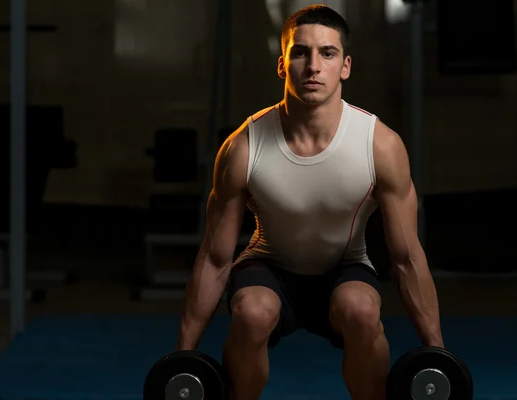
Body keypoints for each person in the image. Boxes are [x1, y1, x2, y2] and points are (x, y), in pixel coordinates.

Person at [175, 4, 444, 400]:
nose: (313, 65)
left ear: (345, 66)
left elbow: (407, 258)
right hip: (268, 267)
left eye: (328, 53)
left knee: (362, 310)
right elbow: (215, 259)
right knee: (251, 313)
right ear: (282, 65)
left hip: (346, 267)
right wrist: (182, 359)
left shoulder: (380, 145)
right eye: (300, 52)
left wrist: (438, 356)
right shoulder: (243, 147)